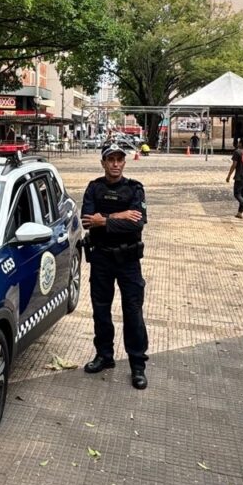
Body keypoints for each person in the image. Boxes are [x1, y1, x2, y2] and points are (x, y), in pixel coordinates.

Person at [81, 143, 150, 390]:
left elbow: (137, 223)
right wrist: (121, 216)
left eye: (120, 159)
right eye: (111, 159)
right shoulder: (94, 188)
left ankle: (138, 365)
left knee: (133, 312)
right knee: (101, 310)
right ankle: (104, 356)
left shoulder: (134, 189)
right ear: (103, 163)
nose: (116, 164)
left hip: (128, 261)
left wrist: (105, 220)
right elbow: (87, 221)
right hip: (101, 258)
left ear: (124, 163)